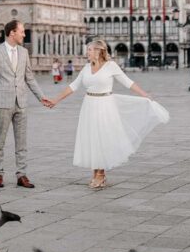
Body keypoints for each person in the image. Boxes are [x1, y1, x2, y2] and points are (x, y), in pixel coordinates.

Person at [50, 38, 169, 189]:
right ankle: (95, 171)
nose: (88, 52)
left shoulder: (111, 66)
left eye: (90, 49)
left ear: (99, 51)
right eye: (88, 50)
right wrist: (55, 100)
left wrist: (144, 94)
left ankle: (101, 173)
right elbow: (73, 86)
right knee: (92, 138)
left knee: (102, 138)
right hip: (89, 105)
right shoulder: (86, 68)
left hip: (105, 105)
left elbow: (127, 82)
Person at [0, 19, 53, 189]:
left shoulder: (24, 52)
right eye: (21, 31)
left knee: (22, 142)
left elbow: (29, 78)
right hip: (2, 103)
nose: (24, 34)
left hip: (21, 102)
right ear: (12, 33)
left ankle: (22, 175)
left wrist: (41, 97)